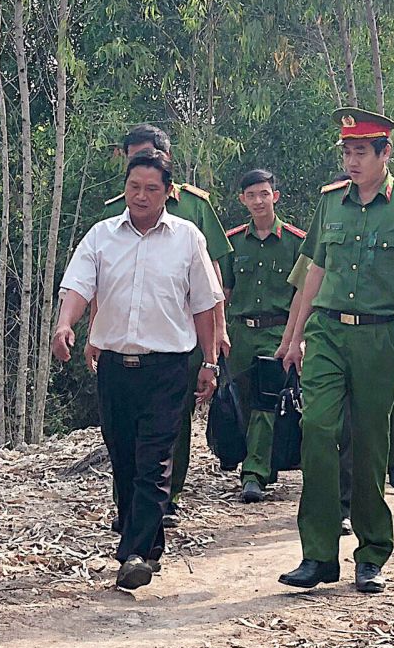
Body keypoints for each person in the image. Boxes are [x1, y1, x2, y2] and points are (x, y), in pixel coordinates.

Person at [274, 109, 394, 594]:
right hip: (328, 332)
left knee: (371, 444)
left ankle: (371, 552)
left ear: (385, 153)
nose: (351, 161)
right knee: (317, 429)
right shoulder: (331, 202)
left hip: (379, 336)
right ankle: (318, 555)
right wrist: (292, 334)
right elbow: (314, 270)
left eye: (360, 152)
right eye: (346, 152)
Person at [53, 149, 224, 591]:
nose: (141, 196)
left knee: (154, 460)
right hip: (113, 367)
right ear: (124, 188)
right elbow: (77, 285)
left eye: (152, 189)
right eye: (134, 187)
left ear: (169, 193)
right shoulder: (101, 235)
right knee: (124, 458)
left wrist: (209, 361)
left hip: (168, 368)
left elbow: (206, 303)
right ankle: (147, 542)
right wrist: (64, 324)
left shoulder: (188, 238)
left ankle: (131, 553)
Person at [89, 124, 230, 526]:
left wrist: (216, 335)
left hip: (181, 334)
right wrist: (95, 330)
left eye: (149, 154)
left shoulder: (194, 209)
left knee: (172, 420)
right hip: (127, 337)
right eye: (133, 156)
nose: (142, 191)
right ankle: (130, 505)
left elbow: (212, 275)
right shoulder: (114, 212)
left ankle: (167, 497)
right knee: (124, 429)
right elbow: (100, 279)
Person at [219, 169, 304, 503]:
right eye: (251, 195)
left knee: (266, 401)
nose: (258, 201)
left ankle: (254, 474)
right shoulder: (233, 242)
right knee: (240, 401)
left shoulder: (297, 241)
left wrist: (297, 336)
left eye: (264, 194)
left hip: (277, 331)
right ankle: (251, 460)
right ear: (243, 199)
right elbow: (223, 292)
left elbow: (304, 294)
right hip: (240, 332)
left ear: (275, 196)